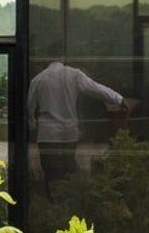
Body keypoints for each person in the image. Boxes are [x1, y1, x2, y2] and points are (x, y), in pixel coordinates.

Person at [27, 60, 136, 198]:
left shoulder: (38, 79)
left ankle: (52, 202)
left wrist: (32, 126)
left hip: (48, 132)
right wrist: (119, 99)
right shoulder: (74, 75)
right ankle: (67, 203)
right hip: (70, 132)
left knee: (50, 173)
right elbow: (96, 89)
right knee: (68, 170)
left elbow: (30, 107)